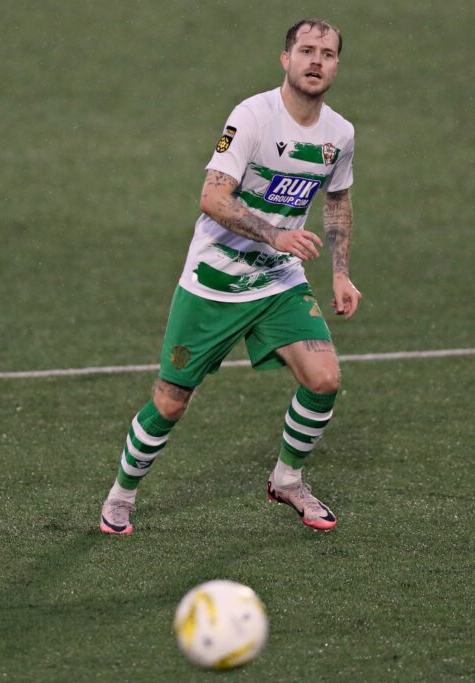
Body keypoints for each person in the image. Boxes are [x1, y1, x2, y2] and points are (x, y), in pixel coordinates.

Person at [99, 18, 360, 535]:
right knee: (170, 403)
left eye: (327, 54)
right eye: (306, 51)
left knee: (325, 378)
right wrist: (275, 235)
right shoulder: (252, 117)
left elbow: (338, 200)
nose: (316, 61)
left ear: (336, 65)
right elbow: (213, 197)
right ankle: (120, 495)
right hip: (214, 282)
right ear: (285, 59)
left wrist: (341, 273)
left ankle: (287, 480)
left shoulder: (340, 134)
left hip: (278, 282)